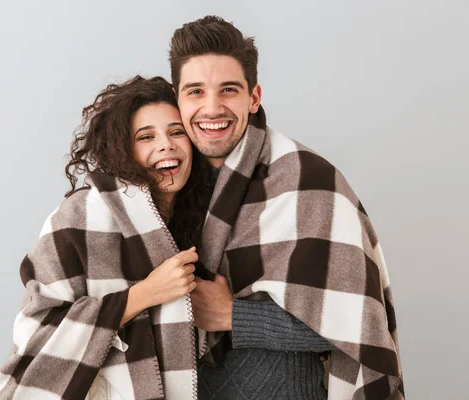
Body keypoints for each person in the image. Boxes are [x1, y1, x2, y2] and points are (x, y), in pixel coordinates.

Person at [169, 16, 405, 399]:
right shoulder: (162, 188)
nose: (212, 108)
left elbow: (359, 327)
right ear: (176, 97)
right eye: (195, 91)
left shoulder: (308, 181)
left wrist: (233, 315)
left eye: (228, 90)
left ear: (254, 97)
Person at [0, 76, 211, 400]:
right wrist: (143, 295)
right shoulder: (80, 216)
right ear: (124, 150)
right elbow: (37, 331)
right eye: (146, 136)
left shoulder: (204, 224)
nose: (166, 144)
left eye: (176, 132)